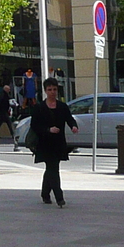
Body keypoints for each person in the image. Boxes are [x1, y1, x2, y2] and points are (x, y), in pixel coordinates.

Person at [28, 77, 78, 207]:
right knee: (53, 169)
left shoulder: (62, 106)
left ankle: (45, 194)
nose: (52, 92)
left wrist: (73, 126)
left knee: (51, 169)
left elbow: (69, 118)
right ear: (45, 91)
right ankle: (59, 198)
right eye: (49, 89)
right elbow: (35, 126)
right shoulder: (39, 107)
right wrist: (48, 130)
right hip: (45, 143)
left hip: (58, 143)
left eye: (54, 89)